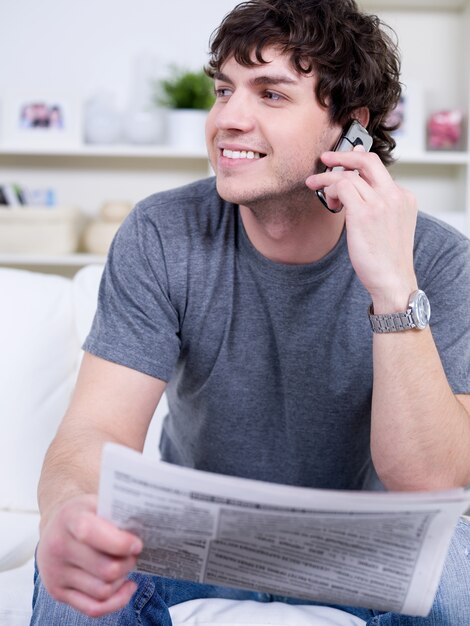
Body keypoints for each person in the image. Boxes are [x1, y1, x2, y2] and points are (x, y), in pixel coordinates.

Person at [31, 0, 470, 624]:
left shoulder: (439, 259)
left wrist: (392, 285)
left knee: (462, 573)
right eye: (223, 90)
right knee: (69, 583)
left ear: (350, 127)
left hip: (364, 551)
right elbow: (93, 431)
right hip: (192, 540)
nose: (227, 120)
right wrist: (70, 510)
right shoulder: (162, 231)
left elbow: (430, 484)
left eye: (271, 94)